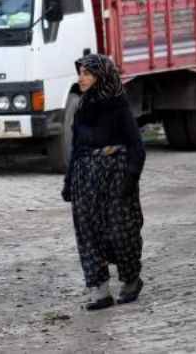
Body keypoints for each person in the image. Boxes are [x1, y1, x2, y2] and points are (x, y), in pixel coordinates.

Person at [61, 54, 146, 310]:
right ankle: (99, 291)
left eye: (87, 73)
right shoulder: (82, 106)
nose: (82, 78)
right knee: (88, 233)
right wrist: (69, 182)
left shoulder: (118, 105)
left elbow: (136, 146)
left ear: (102, 76)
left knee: (122, 230)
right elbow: (76, 146)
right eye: (81, 73)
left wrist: (129, 180)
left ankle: (131, 280)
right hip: (85, 177)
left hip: (115, 175)